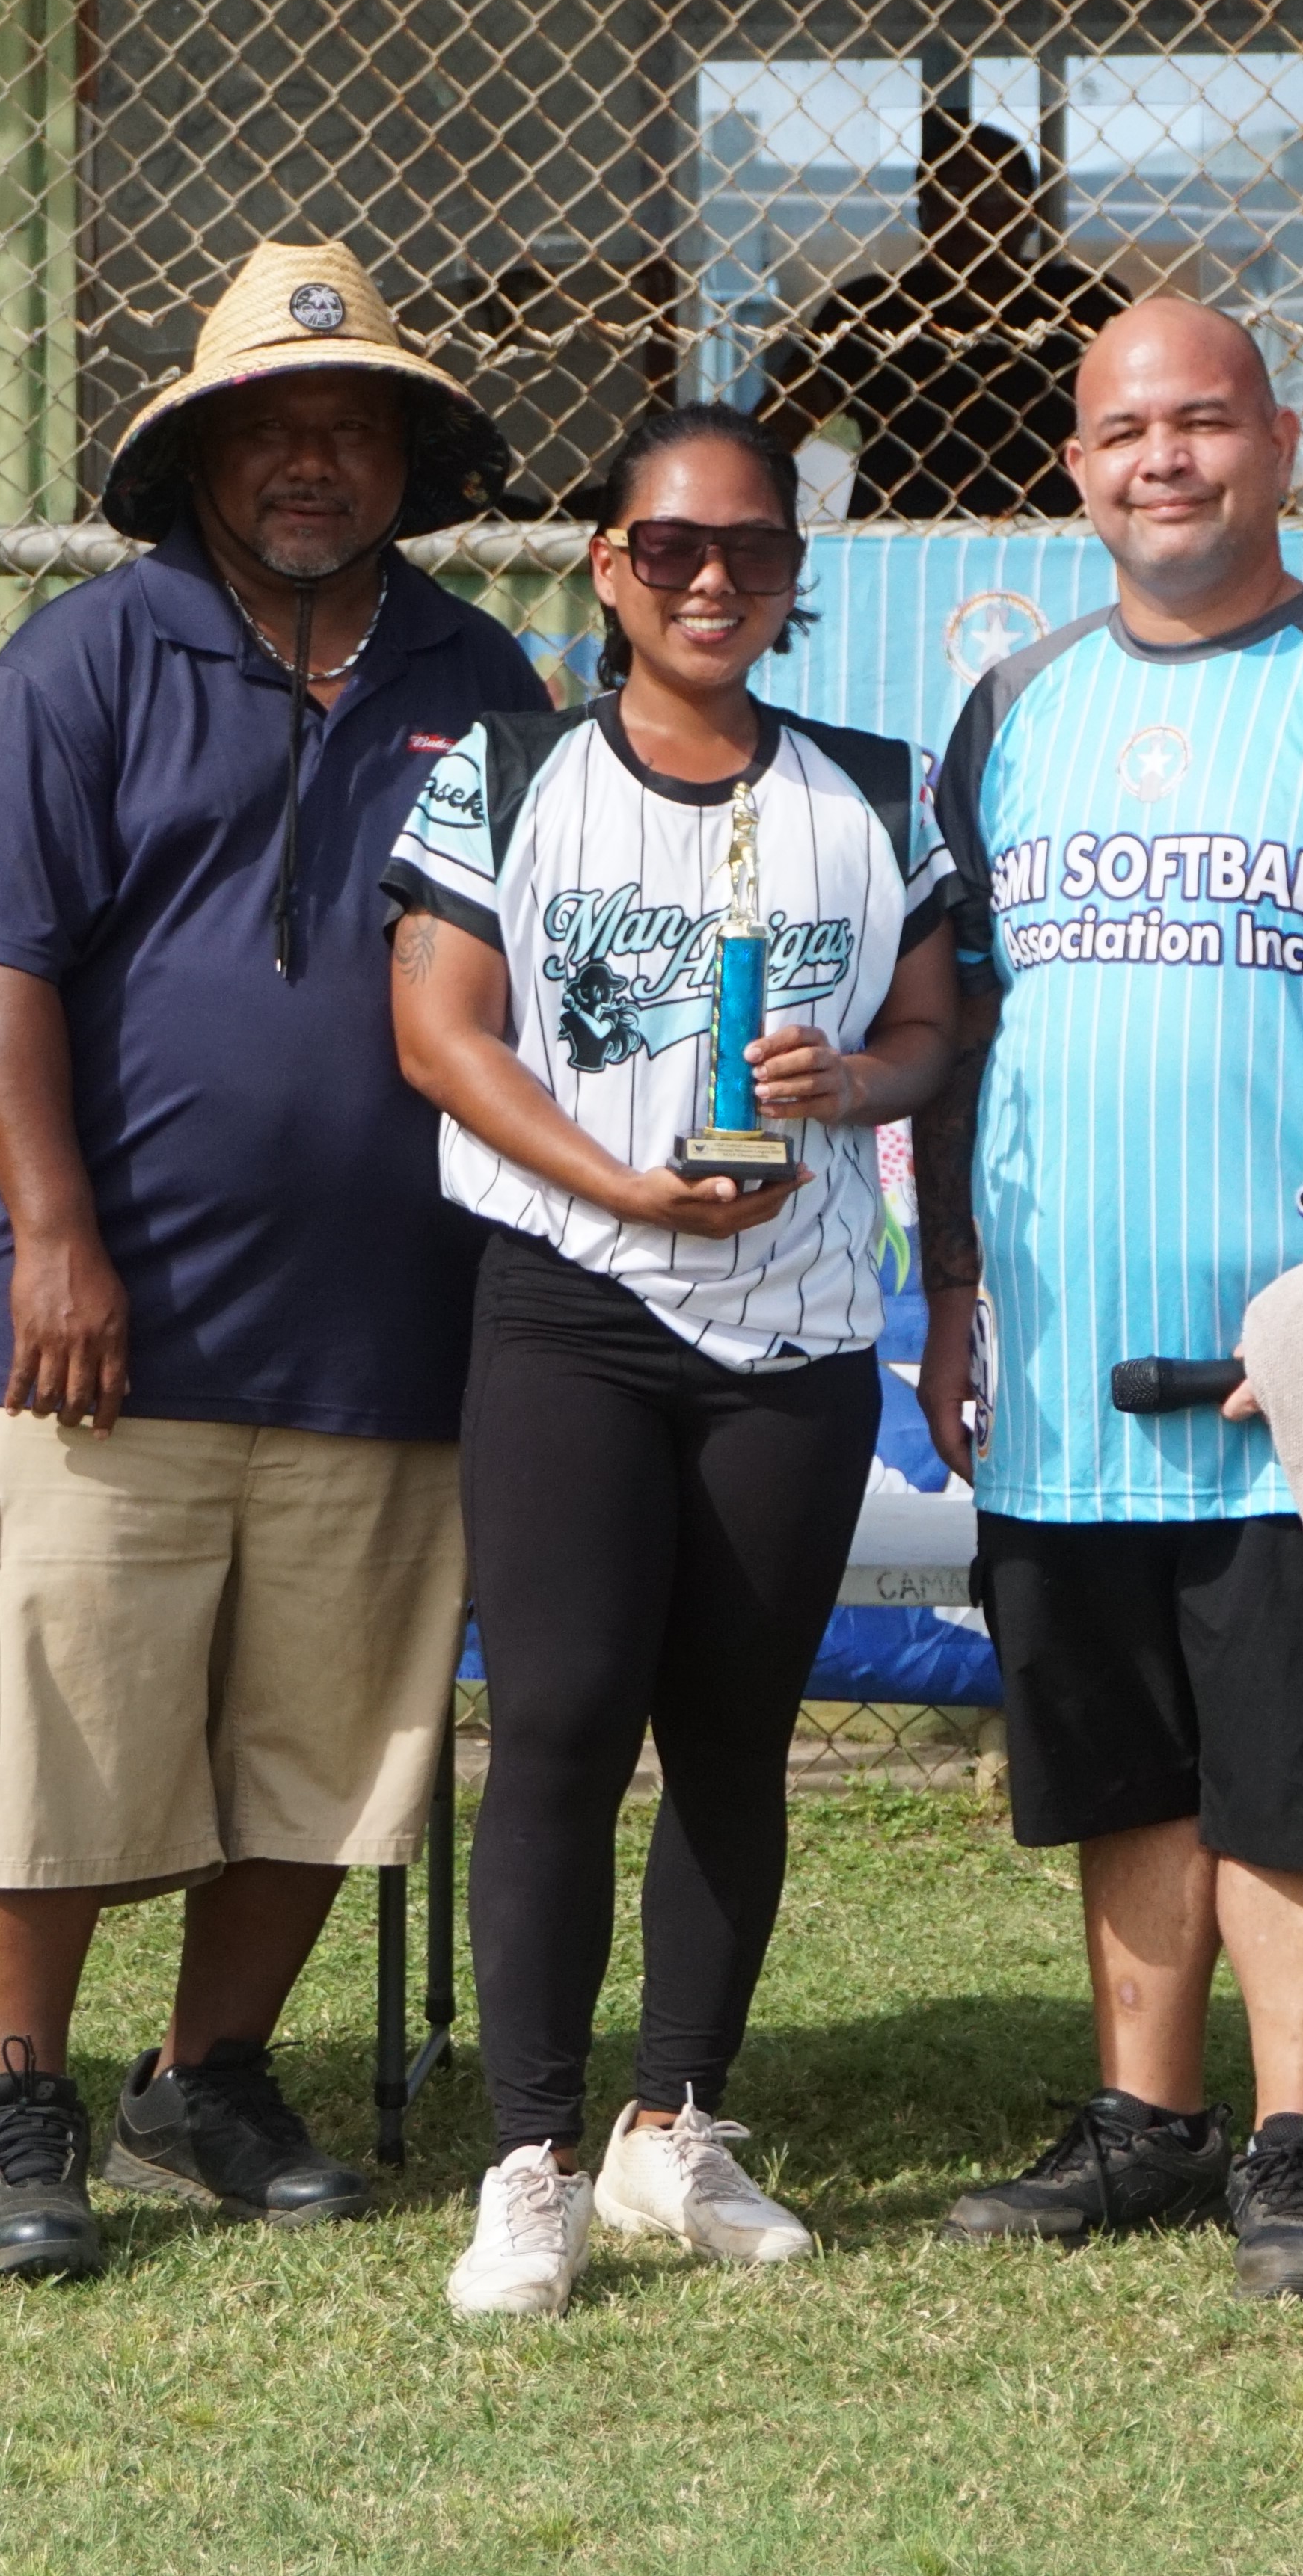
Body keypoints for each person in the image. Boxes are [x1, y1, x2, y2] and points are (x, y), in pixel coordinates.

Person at [0, 238, 544, 2281]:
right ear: (191, 460)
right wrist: (62, 1246)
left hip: (385, 1322)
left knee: (323, 1728)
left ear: (405, 460)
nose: (306, 463)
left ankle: (208, 2068)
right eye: (264, 429)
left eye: (347, 427)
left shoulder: (482, 682)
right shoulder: (75, 666)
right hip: (103, 1331)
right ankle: (23, 2091)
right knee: (52, 1718)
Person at [910, 298, 1303, 2296]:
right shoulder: (1012, 704)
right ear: (1077, 466)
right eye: (1121, 429)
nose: (1161, 457)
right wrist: (945, 1282)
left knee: (1290, 1754)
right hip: (1064, 1356)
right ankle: (1142, 2115)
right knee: (1119, 1754)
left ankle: (1294, 2136)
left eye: (1203, 421)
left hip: (1294, 1355)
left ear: (1283, 445)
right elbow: (965, 1018)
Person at [390, 403, 960, 2318]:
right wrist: (620, 1177)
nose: (710, 579)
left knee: (730, 1733)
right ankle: (532, 2154)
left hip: (790, 1321)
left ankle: (673, 2125)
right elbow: (441, 1035)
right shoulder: (507, 770)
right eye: (670, 546)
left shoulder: (873, 787)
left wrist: (846, 1081)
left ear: (798, 576)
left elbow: (926, 1030)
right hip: (572, 1300)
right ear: (604, 563)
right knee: (554, 1721)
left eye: (752, 550)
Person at [753, 114, 1129, 520]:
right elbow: (776, 428)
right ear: (923, 209)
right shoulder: (869, 309)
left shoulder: (1085, 304)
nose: (967, 210)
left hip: (1055, 535)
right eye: (949, 192)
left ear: (1029, 209)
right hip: (904, 541)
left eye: (992, 193)